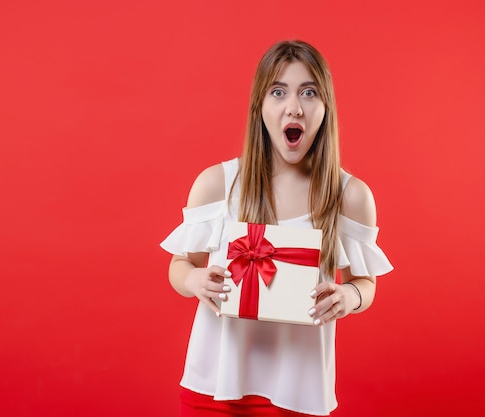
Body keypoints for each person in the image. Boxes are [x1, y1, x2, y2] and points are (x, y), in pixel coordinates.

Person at [160, 40, 393, 416]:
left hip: (298, 392)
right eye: (278, 92)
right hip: (214, 388)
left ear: (325, 108)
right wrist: (194, 281)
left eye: (309, 92)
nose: (294, 107)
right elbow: (179, 266)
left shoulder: (351, 196)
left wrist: (349, 298)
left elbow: (365, 284)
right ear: (260, 107)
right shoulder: (217, 185)